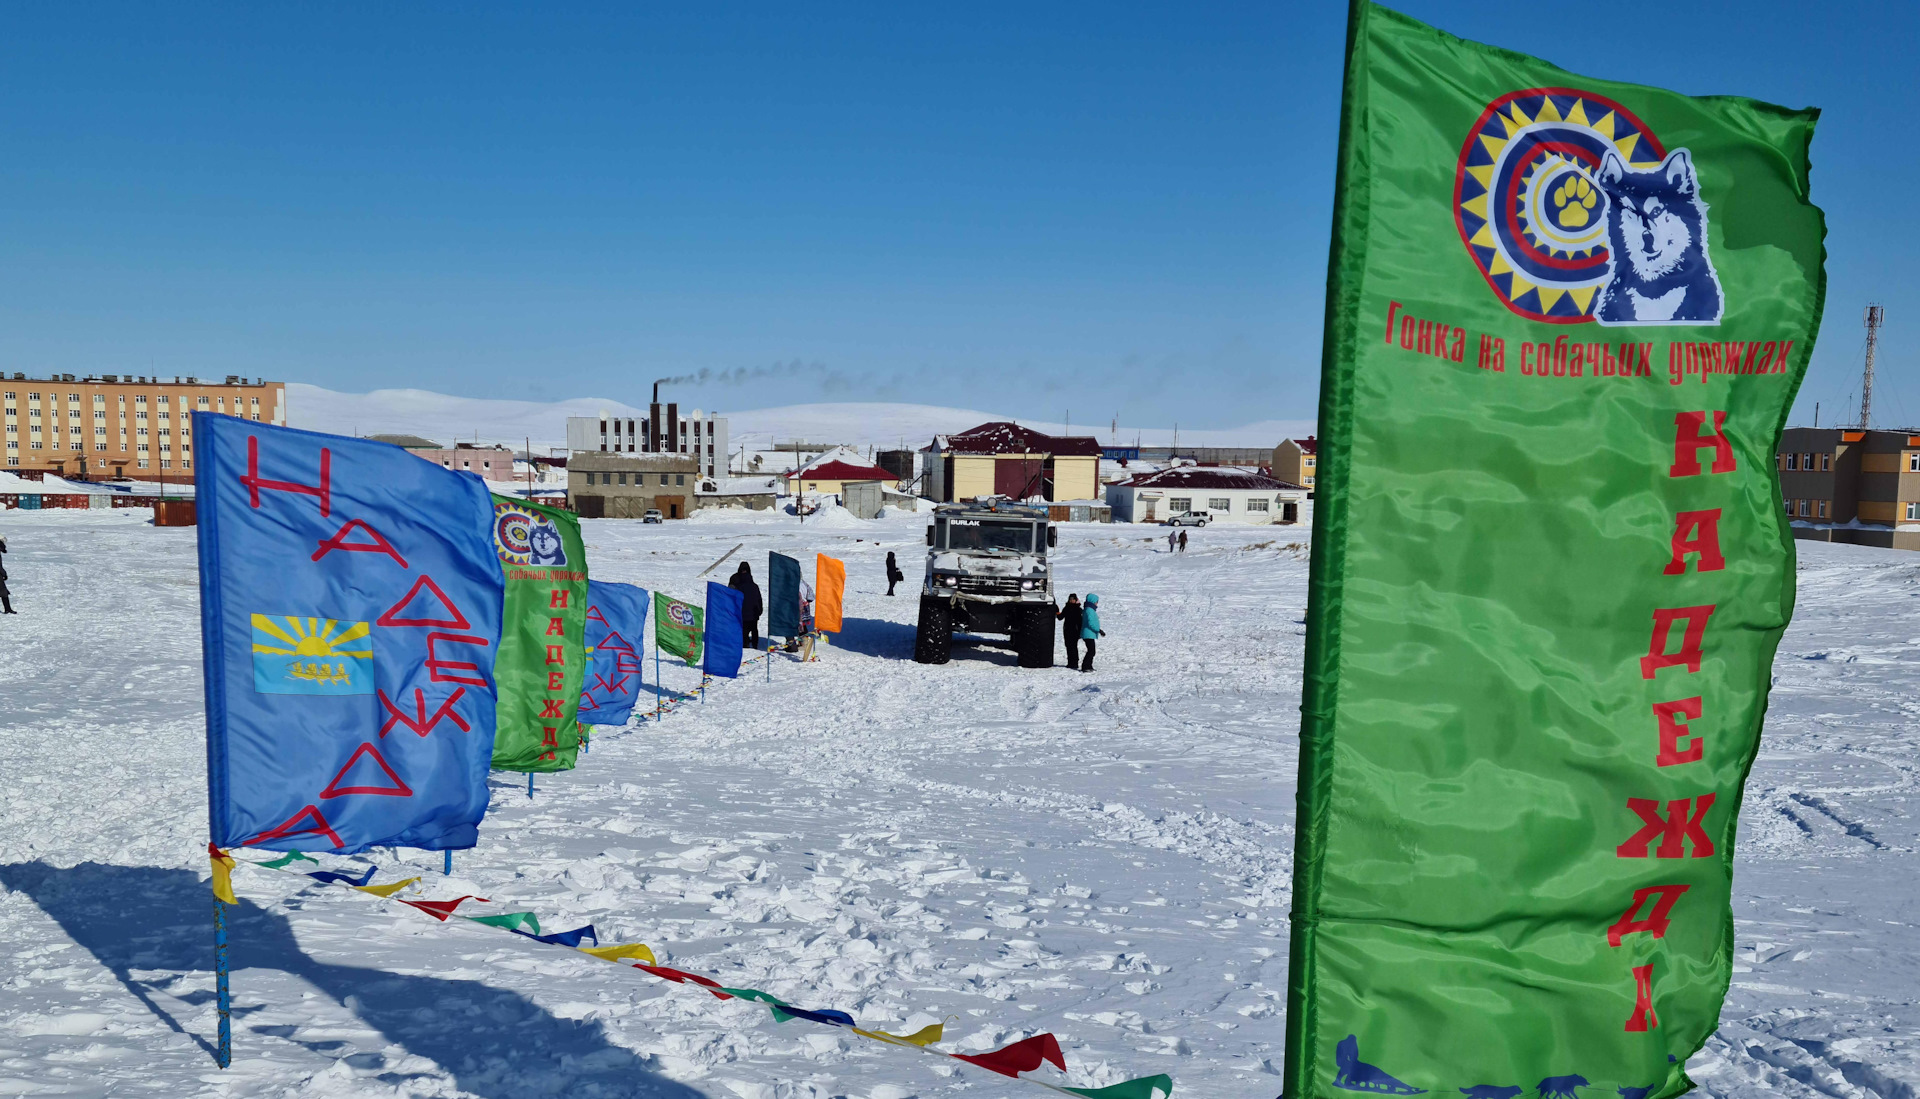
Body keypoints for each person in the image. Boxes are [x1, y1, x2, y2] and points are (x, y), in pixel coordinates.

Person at [728, 562, 763, 650]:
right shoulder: (755, 586)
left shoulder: (738, 585)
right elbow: (759, 599)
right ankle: (755, 644)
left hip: (742, 612)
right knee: (754, 629)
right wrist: (759, 610)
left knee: (744, 630)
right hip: (754, 612)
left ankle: (745, 644)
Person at [1078, 593, 1104, 672]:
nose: (1097, 603)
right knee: (1091, 651)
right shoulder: (1089, 610)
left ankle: (1088, 666)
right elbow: (1091, 623)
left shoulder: (1089, 609)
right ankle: (1086, 666)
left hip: (1090, 633)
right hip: (1088, 633)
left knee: (1091, 650)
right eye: (1096, 601)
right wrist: (1098, 630)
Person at [1056, 594, 1083, 669]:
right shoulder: (1066, 608)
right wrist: (1057, 611)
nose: (1071, 601)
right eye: (1070, 599)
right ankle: (1070, 662)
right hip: (1067, 630)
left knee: (1073, 646)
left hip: (1075, 630)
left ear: (1076, 600)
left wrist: (1080, 632)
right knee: (1068, 646)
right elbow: (1060, 617)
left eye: (1073, 599)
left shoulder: (1078, 609)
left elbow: (1080, 622)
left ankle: (1075, 662)